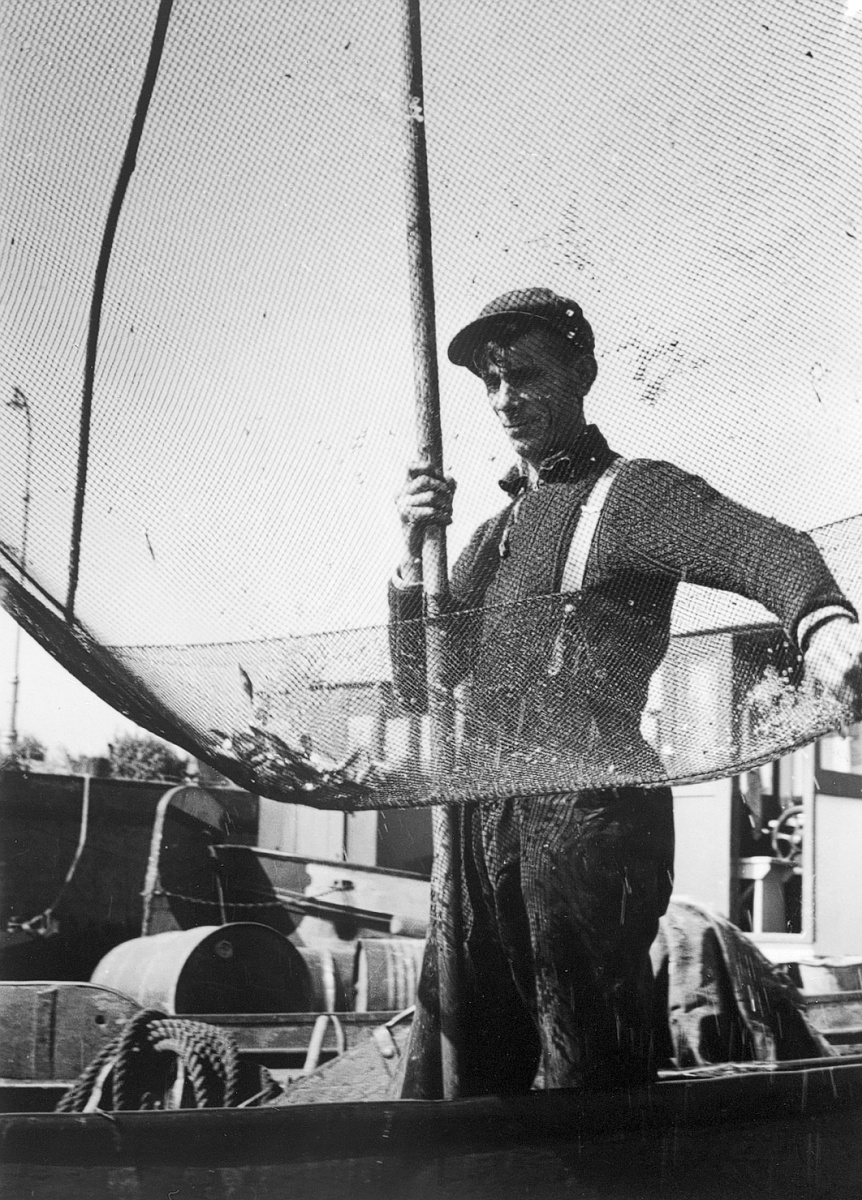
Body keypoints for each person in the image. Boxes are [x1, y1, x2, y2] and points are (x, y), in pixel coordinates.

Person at [389, 287, 862, 1096]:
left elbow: (767, 548)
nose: (505, 400)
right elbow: (419, 684)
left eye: (526, 375)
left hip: (586, 818)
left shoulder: (632, 496)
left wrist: (824, 624)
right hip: (476, 822)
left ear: (582, 374)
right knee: (456, 1078)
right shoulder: (493, 535)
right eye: (492, 382)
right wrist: (409, 558)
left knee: (590, 1082)